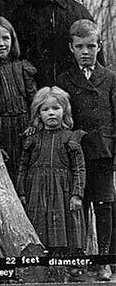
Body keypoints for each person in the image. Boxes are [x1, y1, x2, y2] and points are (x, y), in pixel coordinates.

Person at [56, 19, 116, 281]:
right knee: (77, 206)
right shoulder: (64, 80)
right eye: (79, 46)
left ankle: (103, 261)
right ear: (71, 48)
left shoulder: (110, 78)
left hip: (103, 151)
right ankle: (78, 258)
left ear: (99, 46)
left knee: (103, 205)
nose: (85, 51)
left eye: (91, 46)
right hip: (75, 154)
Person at [11, 0, 102, 88]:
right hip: (34, 94)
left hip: (73, 96)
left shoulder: (80, 14)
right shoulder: (22, 14)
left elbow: (97, 63)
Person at [16, 86, 85, 257]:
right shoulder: (32, 139)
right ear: (38, 114)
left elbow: (79, 168)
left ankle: (67, 263)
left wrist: (77, 194)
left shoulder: (71, 138)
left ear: (65, 111)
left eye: (56, 108)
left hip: (63, 193)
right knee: (39, 228)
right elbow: (22, 167)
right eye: (45, 109)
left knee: (64, 229)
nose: (51, 113)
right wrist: (22, 192)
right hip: (36, 194)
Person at [0, 16, 37, 180]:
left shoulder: (22, 67)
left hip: (25, 128)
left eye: (6, 38)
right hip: (1, 130)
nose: (1, 44)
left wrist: (34, 125)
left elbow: (34, 101)